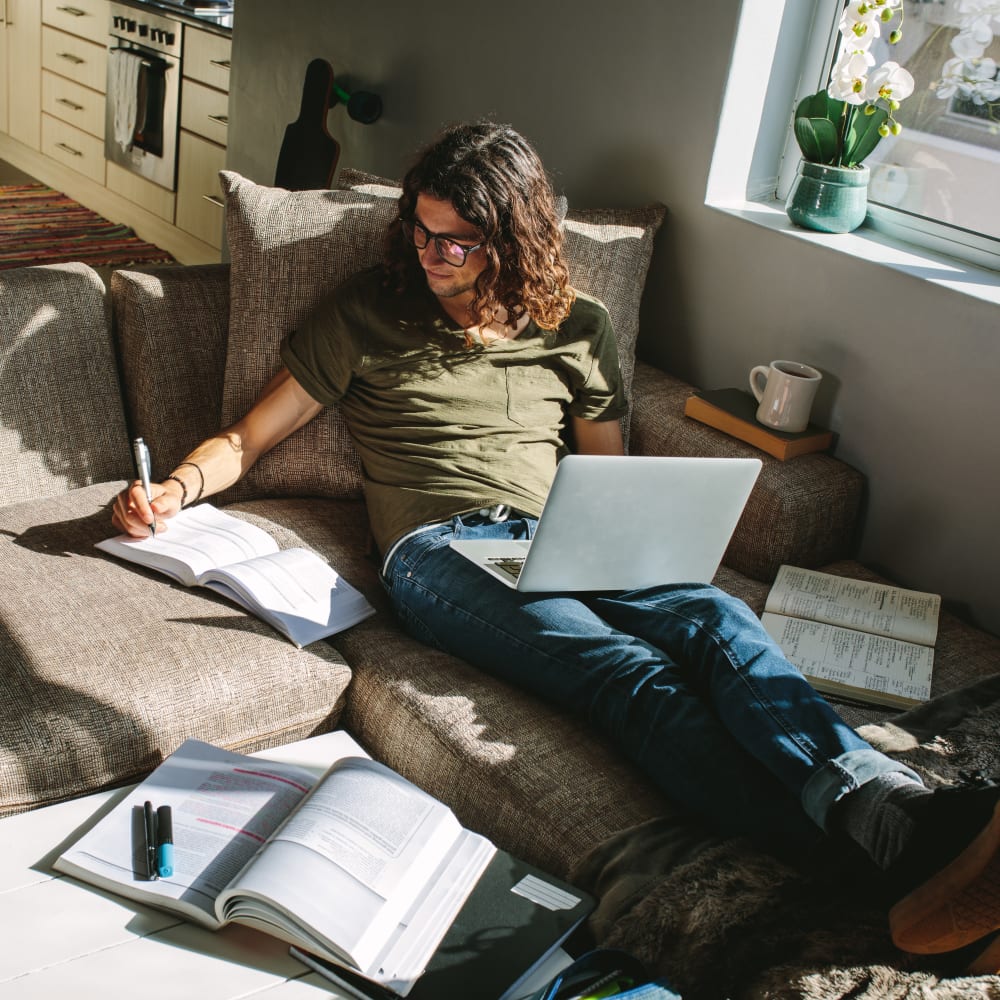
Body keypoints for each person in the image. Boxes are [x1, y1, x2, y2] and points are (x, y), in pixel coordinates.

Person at [112, 120, 999, 971]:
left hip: (564, 531)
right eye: (420, 232)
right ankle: (886, 860)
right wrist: (173, 490)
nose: (430, 256)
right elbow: (247, 439)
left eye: (456, 242)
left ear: (513, 237)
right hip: (439, 552)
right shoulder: (367, 312)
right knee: (626, 672)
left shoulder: (579, 325)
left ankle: (893, 817)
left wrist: (636, 542)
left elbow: (604, 480)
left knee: (714, 616)